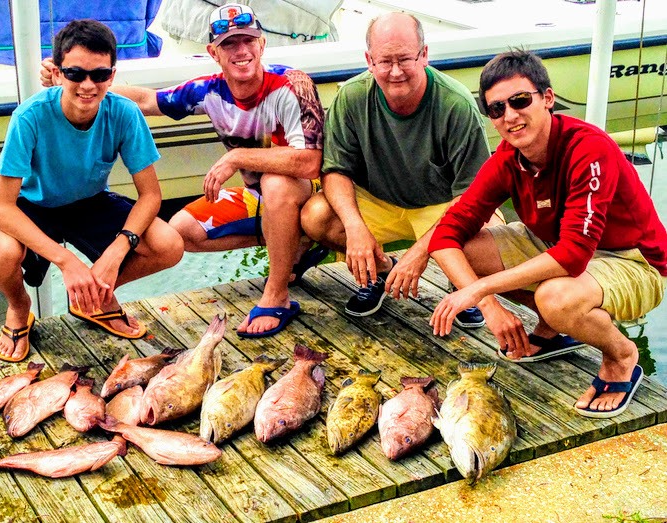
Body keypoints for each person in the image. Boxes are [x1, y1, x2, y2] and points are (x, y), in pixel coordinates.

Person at [41, 4, 326, 338]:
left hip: (311, 196)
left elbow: (309, 163)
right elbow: (148, 101)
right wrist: (81, 83)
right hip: (257, 197)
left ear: (262, 45)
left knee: (278, 183)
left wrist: (237, 159)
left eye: (248, 41)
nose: (241, 51)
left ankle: (277, 295)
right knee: (182, 231)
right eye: (229, 44)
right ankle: (294, 242)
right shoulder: (209, 91)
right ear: (213, 53)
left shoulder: (292, 84)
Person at [428, 50, 667, 418]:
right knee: (468, 251)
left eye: (520, 100)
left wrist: (477, 290)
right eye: (496, 109)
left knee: (556, 296)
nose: (509, 115)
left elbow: (573, 254)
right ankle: (553, 327)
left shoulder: (590, 148)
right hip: (559, 245)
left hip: (632, 259)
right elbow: (446, 234)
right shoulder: (507, 159)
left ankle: (621, 356)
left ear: (548, 99)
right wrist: (489, 308)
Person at [0, 19, 184, 363]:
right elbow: (0, 208)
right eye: (76, 74)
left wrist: (115, 253)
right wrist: (67, 262)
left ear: (112, 74)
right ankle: (19, 307)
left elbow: (151, 195)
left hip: (91, 202)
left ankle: (99, 298)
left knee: (170, 244)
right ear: (58, 73)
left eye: (100, 75)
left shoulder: (124, 113)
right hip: (34, 204)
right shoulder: (28, 117)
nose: (88, 85)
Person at [300, 12, 502, 320]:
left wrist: (419, 253)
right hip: (380, 203)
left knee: (493, 231)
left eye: (405, 59)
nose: (395, 72)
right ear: (370, 61)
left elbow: (474, 196)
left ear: (424, 55)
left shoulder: (456, 104)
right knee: (316, 216)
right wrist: (355, 229)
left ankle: (462, 284)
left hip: (443, 206)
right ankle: (382, 270)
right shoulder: (351, 96)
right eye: (385, 61)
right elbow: (335, 170)